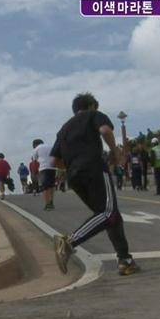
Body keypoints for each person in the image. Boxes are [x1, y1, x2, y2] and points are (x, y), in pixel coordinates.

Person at [50, 93, 139, 277]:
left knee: (110, 216)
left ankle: (125, 260)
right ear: (91, 105)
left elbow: (53, 161)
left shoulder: (64, 128)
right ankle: (68, 243)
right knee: (108, 213)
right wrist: (115, 152)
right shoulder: (93, 115)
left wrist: (73, 166)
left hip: (74, 176)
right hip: (94, 168)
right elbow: (106, 131)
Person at [32, 139, 57, 211]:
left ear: (34, 145)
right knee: (51, 186)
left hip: (43, 168)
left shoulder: (36, 148)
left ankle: (47, 204)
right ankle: (51, 202)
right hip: (52, 167)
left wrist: (34, 172)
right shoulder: (50, 146)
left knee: (45, 187)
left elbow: (34, 161)